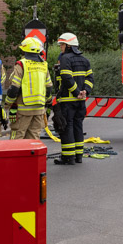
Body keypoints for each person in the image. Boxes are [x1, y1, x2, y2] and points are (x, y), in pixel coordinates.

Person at [52, 32, 93, 165]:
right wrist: (85, 91)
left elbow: (66, 77)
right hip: (81, 102)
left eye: (62, 45)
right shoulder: (85, 60)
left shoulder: (65, 59)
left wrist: (76, 92)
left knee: (67, 127)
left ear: (69, 46)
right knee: (78, 127)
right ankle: (78, 156)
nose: (61, 47)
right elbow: (90, 79)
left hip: (68, 101)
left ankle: (68, 157)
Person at [4, 37, 52, 140]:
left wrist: (8, 103)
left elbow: (14, 87)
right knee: (33, 138)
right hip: (39, 110)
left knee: (17, 137)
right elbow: (49, 87)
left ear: (25, 50)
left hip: (23, 110)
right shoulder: (44, 65)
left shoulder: (21, 64)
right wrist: (48, 102)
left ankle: (16, 152)